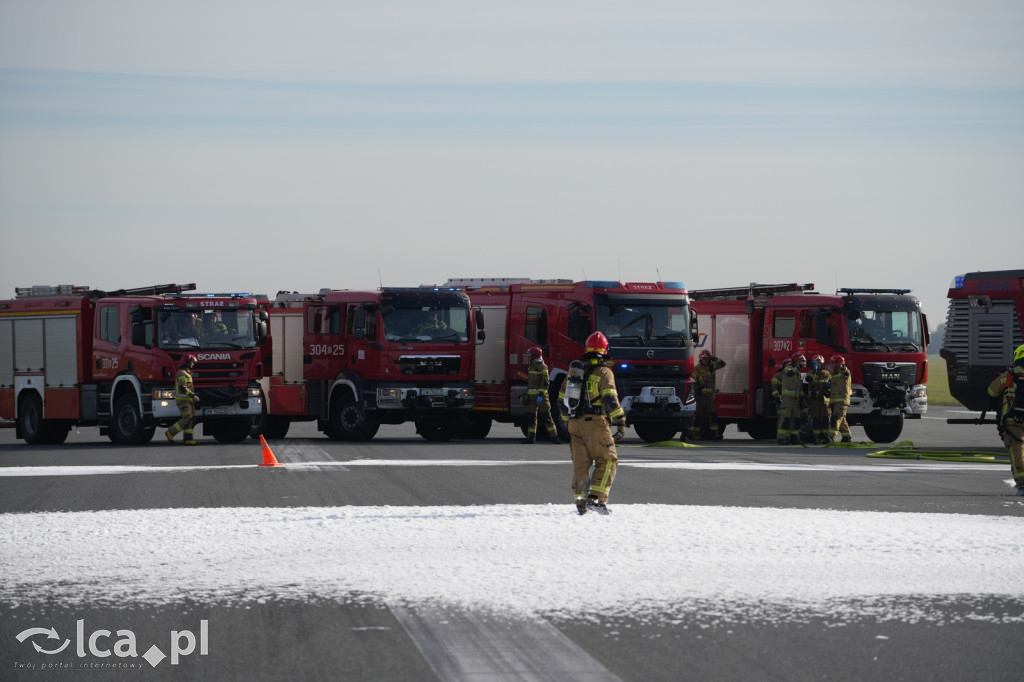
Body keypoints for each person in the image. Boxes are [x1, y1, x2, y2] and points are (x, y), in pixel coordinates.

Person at [558, 331, 626, 515]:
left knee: (581, 465)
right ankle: (596, 500)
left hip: (574, 424)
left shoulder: (573, 375)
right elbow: (610, 399)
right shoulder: (604, 372)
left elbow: (561, 403)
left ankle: (580, 503)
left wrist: (568, 423)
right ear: (604, 352)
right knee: (608, 459)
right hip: (595, 423)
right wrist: (620, 421)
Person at [986, 344, 1024, 496]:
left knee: (1017, 450)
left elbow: (991, 390)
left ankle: (1022, 484)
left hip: (1012, 420)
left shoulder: (1010, 374)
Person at [520, 346, 562, 444]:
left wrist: (541, 395)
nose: (530, 357)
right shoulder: (531, 366)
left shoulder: (543, 367)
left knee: (547, 417)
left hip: (541, 397)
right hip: (531, 397)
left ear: (536, 356)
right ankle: (531, 438)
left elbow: (546, 383)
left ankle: (554, 437)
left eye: (531, 355)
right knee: (531, 418)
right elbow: (530, 383)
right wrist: (526, 394)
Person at [686, 350, 726, 440]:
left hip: (710, 397)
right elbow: (692, 377)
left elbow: (723, 364)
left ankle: (714, 434)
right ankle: (696, 434)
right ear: (700, 359)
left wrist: (714, 358)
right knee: (698, 416)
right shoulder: (696, 368)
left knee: (713, 415)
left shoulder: (711, 367)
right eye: (704, 358)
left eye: (707, 358)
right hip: (700, 397)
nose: (706, 360)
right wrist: (699, 377)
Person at [166, 354, 200, 445]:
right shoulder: (182, 373)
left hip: (188, 400)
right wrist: (193, 396)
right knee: (187, 418)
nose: (193, 364)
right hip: (183, 400)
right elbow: (183, 388)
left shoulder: (187, 373)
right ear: (187, 363)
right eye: (192, 362)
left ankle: (188, 439)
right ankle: (170, 432)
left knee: (192, 419)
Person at [805, 354, 832, 444]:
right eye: (817, 363)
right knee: (816, 420)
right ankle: (816, 438)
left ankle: (825, 438)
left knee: (825, 420)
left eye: (820, 363)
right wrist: (814, 371)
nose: (819, 364)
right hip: (814, 401)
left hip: (824, 401)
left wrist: (829, 388)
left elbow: (832, 384)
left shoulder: (826, 374)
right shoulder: (810, 373)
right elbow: (808, 379)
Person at [776, 356, 802, 444]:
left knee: (796, 419)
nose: (802, 363)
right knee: (785, 418)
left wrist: (803, 397)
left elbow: (799, 387)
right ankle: (782, 438)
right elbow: (789, 373)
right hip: (787, 399)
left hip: (796, 399)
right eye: (800, 361)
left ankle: (794, 437)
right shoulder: (788, 368)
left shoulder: (798, 371)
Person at [828, 354, 853, 442]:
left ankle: (831, 437)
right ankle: (847, 437)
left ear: (837, 364)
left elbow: (846, 373)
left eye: (832, 364)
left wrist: (842, 367)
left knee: (836, 418)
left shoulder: (844, 372)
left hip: (841, 401)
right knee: (842, 420)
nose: (830, 366)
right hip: (835, 401)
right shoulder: (834, 374)